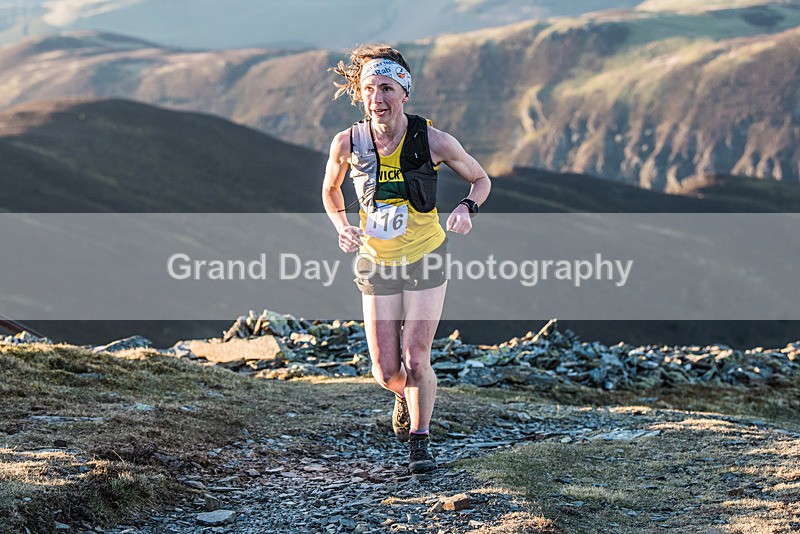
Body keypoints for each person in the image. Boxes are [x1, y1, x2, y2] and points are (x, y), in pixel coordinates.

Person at [322, 44, 490, 474]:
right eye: (369, 89)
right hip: (375, 261)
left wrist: (466, 209)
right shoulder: (347, 142)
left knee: (417, 358)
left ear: (404, 93)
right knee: (385, 369)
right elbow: (330, 190)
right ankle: (405, 394)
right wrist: (343, 226)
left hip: (425, 254)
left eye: (386, 88)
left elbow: (480, 178)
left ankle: (420, 441)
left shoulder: (433, 140)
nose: (377, 98)